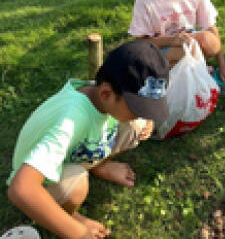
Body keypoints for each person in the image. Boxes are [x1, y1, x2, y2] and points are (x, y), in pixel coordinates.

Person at [7, 41, 170, 239]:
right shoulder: (70, 121)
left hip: (76, 149)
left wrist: (147, 118)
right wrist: (76, 232)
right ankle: (71, 214)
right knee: (77, 185)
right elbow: (21, 188)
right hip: (42, 180)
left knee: (136, 126)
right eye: (138, 108)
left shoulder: (102, 96)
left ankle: (99, 167)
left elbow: (134, 114)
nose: (141, 114)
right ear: (106, 93)